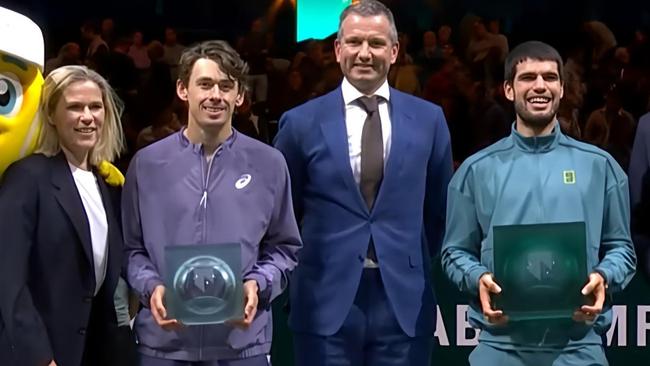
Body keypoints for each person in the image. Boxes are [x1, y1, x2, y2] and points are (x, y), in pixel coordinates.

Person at [273, 0, 453, 364]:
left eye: (375, 43)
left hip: (404, 301)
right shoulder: (300, 122)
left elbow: (438, 210)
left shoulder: (429, 120)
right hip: (324, 300)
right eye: (354, 42)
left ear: (395, 50)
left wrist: (402, 257)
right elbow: (283, 215)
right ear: (338, 49)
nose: (364, 53)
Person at [441, 41, 636, 366]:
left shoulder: (600, 167)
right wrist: (477, 277)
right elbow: (453, 252)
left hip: (578, 349)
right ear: (508, 89)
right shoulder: (476, 170)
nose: (540, 86)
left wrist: (604, 275)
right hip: (499, 348)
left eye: (549, 77)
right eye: (528, 77)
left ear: (562, 88)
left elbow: (622, 249)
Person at [122, 40, 301, 366]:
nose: (215, 95)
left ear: (241, 96)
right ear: (183, 89)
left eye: (226, 86)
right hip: (163, 345)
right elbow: (131, 250)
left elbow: (285, 249)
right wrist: (151, 287)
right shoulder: (146, 164)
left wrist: (258, 286)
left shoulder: (270, 163)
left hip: (242, 346)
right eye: (205, 84)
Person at [0, 65, 127, 366]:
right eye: (74, 107)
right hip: (38, 354)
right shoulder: (27, 178)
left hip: (90, 351)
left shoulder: (106, 184)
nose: (87, 117)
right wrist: (41, 358)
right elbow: (8, 281)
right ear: (52, 116)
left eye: (95, 107)